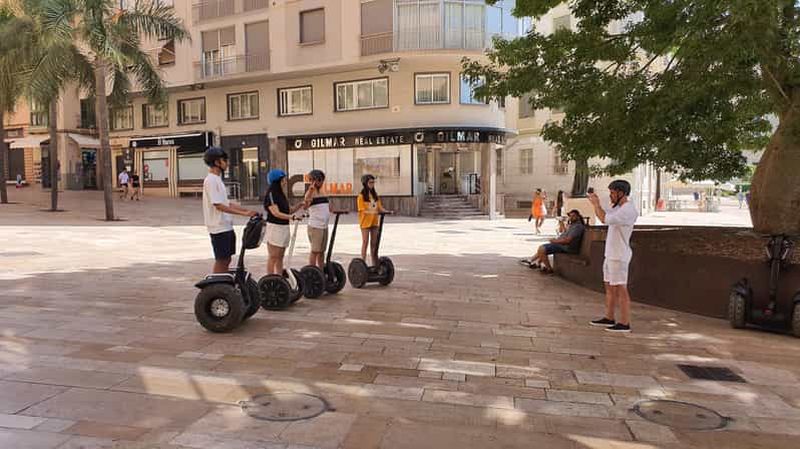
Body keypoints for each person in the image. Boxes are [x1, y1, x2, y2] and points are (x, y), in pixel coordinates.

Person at [588, 180, 639, 333]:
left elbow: (604, 219)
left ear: (621, 193)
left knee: (620, 288)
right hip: (611, 254)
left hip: (619, 255)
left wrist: (596, 204)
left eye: (612, 193)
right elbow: (603, 215)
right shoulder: (617, 208)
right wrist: (596, 205)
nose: (610, 196)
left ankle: (624, 322)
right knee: (609, 287)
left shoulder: (627, 210)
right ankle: (609, 317)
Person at [202, 147, 259, 274]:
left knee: (227, 259)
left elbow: (227, 204)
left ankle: (224, 286)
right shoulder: (211, 180)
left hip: (226, 226)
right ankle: (217, 287)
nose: (227, 163)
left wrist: (248, 211)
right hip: (218, 227)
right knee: (221, 260)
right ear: (217, 162)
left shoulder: (218, 180)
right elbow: (218, 205)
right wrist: (244, 214)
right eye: (225, 160)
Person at [264, 169, 305, 275]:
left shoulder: (281, 194)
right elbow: (276, 213)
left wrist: (300, 205)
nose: (285, 182)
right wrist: (292, 217)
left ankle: (279, 277)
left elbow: (289, 210)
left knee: (280, 256)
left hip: (284, 227)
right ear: (277, 181)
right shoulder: (271, 194)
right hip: (275, 227)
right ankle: (270, 279)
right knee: (273, 256)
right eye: (283, 180)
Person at [520, 209, 585, 274]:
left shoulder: (577, 227)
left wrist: (555, 241)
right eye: (570, 216)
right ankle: (534, 261)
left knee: (542, 249)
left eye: (573, 216)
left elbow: (567, 240)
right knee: (544, 248)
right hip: (563, 245)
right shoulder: (573, 225)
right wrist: (561, 224)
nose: (571, 218)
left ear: (578, 217)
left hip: (567, 247)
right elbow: (564, 233)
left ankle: (549, 269)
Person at [304, 169, 340, 269]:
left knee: (322, 251)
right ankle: (311, 271)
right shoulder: (310, 193)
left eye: (321, 180)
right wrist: (310, 192)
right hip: (315, 226)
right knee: (315, 250)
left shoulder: (324, 192)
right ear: (312, 180)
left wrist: (338, 210)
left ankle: (320, 270)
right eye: (318, 180)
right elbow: (305, 206)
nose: (320, 182)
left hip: (324, 226)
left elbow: (329, 208)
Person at [358, 174, 393, 266]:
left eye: (373, 182)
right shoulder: (361, 197)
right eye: (370, 182)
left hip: (374, 222)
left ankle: (375, 264)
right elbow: (362, 210)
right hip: (365, 223)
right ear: (365, 183)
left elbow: (380, 208)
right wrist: (370, 211)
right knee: (365, 242)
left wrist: (387, 212)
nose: (372, 184)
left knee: (374, 244)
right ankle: (363, 263)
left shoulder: (375, 195)